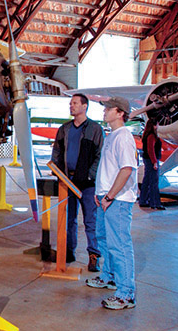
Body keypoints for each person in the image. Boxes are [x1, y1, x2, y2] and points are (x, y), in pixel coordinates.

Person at [86, 96, 138, 310]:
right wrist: (101, 194)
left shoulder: (124, 137)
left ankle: (126, 294)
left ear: (120, 113)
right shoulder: (112, 135)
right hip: (106, 199)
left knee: (120, 246)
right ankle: (109, 277)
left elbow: (126, 169)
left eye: (109, 109)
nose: (104, 111)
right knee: (104, 240)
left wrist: (109, 197)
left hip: (117, 201)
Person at [51, 93, 104, 272]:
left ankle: (94, 256)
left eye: (74, 103)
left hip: (87, 184)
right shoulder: (64, 129)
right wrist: (58, 173)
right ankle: (68, 252)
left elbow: (99, 156)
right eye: (70, 103)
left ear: (84, 106)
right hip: (67, 181)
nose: (71, 106)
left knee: (91, 220)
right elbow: (57, 152)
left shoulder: (95, 129)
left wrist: (90, 175)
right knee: (68, 220)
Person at [140, 119, 165, 210]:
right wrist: (154, 162)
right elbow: (151, 150)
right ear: (155, 125)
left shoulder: (146, 135)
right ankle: (155, 203)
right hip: (151, 160)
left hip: (147, 159)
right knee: (154, 182)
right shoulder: (151, 136)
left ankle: (143, 200)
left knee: (146, 180)